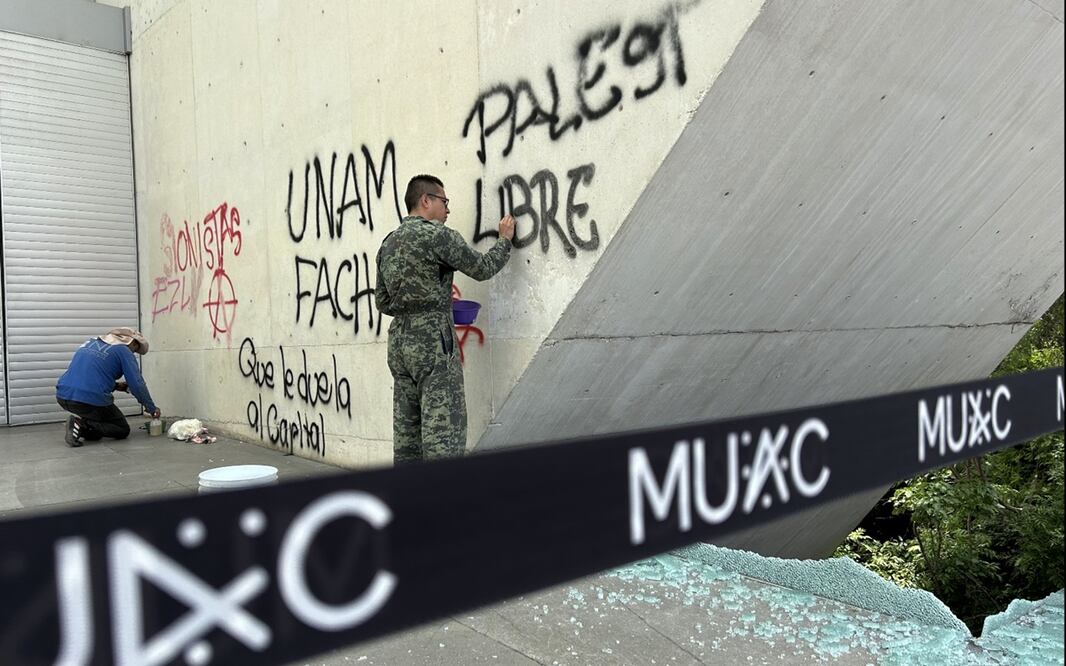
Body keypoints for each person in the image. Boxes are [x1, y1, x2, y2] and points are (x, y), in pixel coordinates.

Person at [375, 174, 516, 463]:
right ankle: (444, 503)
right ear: (426, 200)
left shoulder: (388, 243)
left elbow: (383, 301)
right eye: (444, 201)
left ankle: (411, 503)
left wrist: (417, 305)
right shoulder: (437, 235)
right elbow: (482, 268)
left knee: (407, 436)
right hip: (433, 345)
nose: (448, 209)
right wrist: (504, 240)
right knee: (444, 433)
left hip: (400, 344)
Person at [55, 327, 160, 447]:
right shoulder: (123, 350)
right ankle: (80, 424)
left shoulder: (90, 343)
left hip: (63, 395)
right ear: (132, 342)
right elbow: (137, 384)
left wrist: (115, 386)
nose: (133, 353)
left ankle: (78, 426)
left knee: (96, 434)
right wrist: (151, 408)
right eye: (135, 349)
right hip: (88, 399)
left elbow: (89, 374)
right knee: (121, 429)